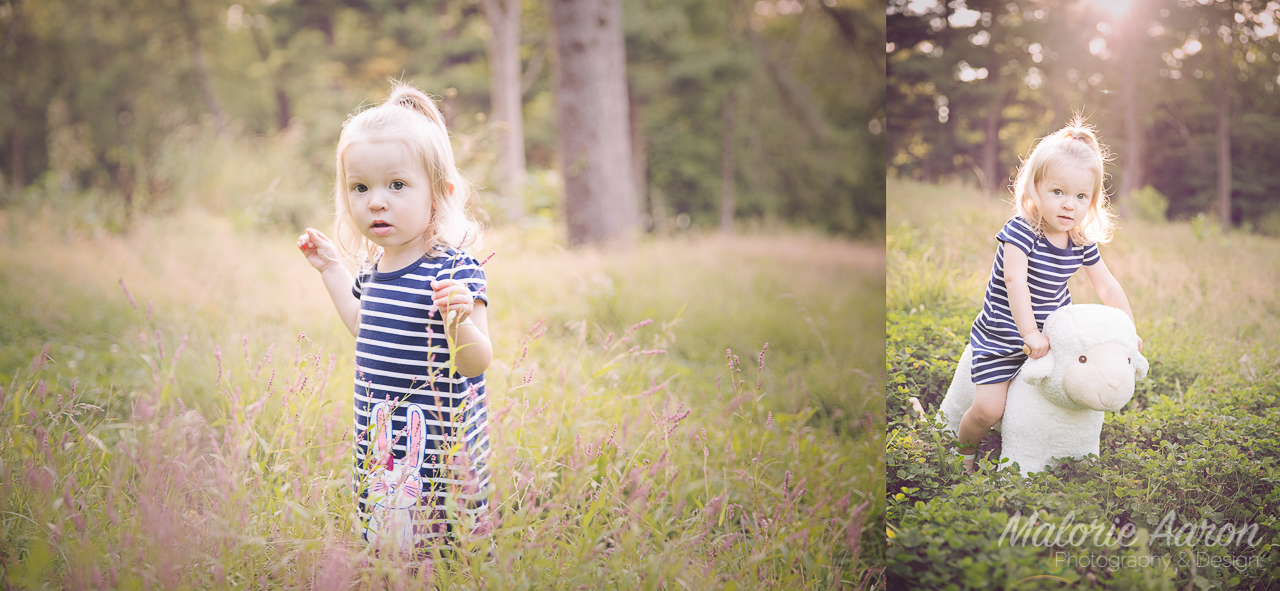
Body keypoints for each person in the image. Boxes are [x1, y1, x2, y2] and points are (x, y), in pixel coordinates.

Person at [296, 82, 494, 549]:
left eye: (396, 185)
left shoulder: (453, 269)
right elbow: (364, 326)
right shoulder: (375, 267)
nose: (376, 201)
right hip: (382, 433)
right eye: (360, 188)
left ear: (439, 194)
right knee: (389, 534)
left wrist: (459, 320)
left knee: (443, 542)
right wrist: (331, 270)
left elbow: (476, 363)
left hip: (441, 446)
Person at [955, 117, 1142, 474]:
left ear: (1092, 200)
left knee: (1055, 400)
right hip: (1004, 337)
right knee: (988, 410)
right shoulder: (1021, 231)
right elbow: (1015, 281)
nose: (1069, 204)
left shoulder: (1080, 240)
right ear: (1035, 189)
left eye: (1081, 196)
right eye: (1058, 192)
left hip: (1051, 342)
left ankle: (1051, 451)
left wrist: (1126, 333)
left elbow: (1108, 286)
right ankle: (962, 450)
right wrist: (1029, 334)